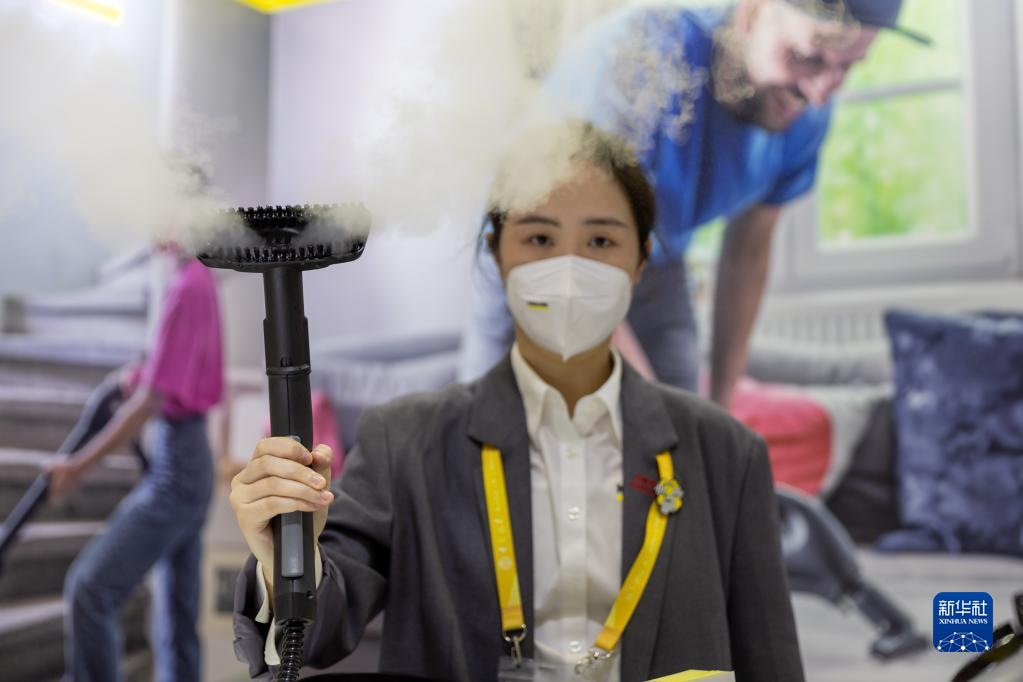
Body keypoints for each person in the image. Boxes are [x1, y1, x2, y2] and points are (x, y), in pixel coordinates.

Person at [230, 124, 803, 681]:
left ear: (642, 260)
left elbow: (770, 658)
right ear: (496, 252)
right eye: (540, 239)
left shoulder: (726, 454)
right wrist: (281, 559)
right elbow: (318, 632)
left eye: (601, 241)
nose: (569, 268)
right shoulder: (406, 440)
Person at [458, 0, 927, 407]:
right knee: (514, 448)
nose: (821, 91)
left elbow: (749, 250)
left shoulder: (804, 111)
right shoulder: (642, 61)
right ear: (752, 13)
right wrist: (655, 417)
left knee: (689, 445)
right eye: (807, 57)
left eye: (848, 67)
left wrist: (721, 408)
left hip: (656, 263)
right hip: (541, 259)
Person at [48, 241, 224, 682]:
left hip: (177, 468)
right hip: (191, 458)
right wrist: (138, 377)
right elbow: (171, 374)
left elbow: (151, 401)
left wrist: (77, 467)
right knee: (177, 624)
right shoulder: (200, 278)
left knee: (90, 589)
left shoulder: (186, 286)